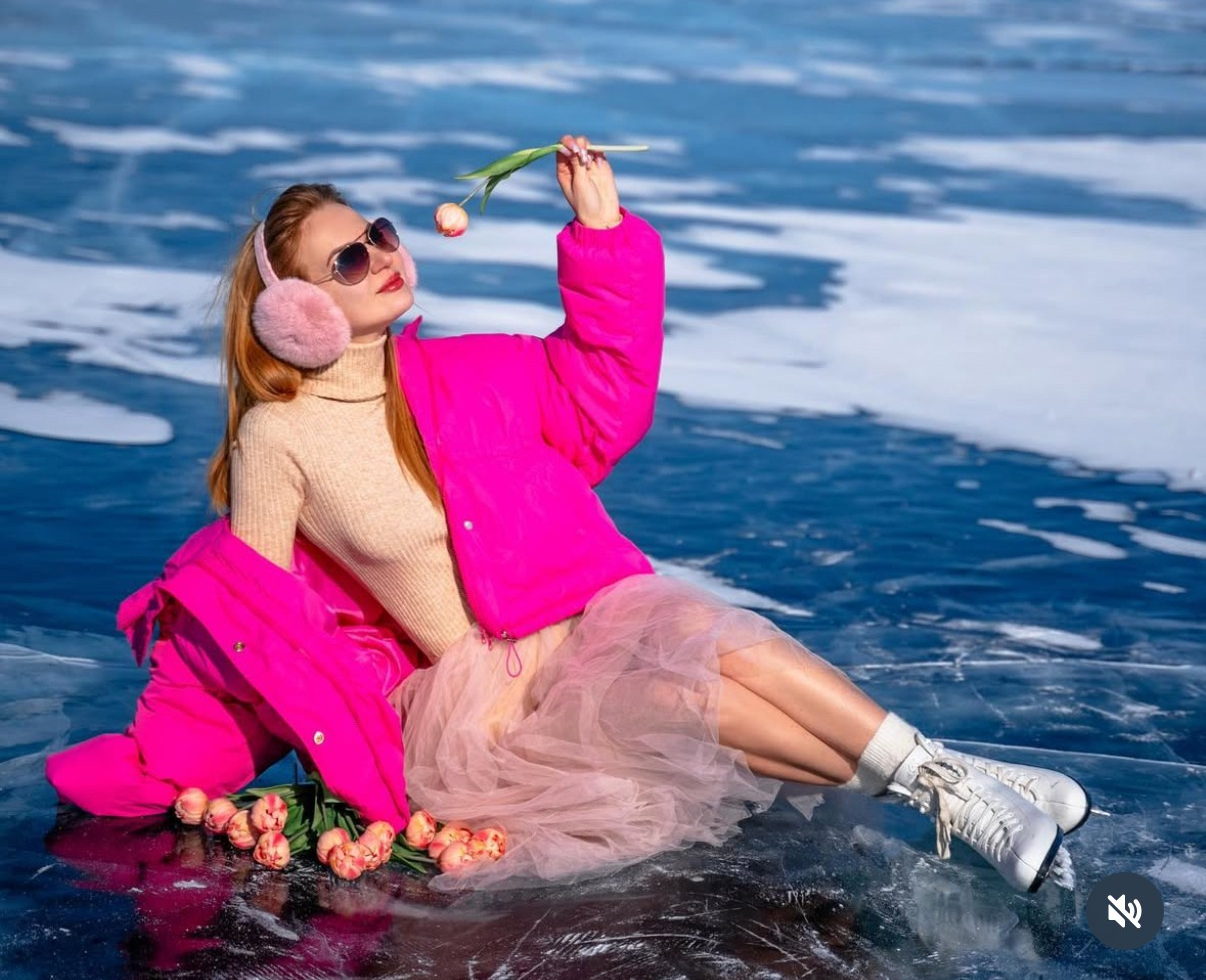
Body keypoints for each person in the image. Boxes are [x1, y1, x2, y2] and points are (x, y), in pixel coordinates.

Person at [46, 134, 1091, 895]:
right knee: (696, 711)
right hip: (488, 696)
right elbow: (252, 617)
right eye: (350, 259)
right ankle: (957, 790)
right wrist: (171, 765)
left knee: (721, 645)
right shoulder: (279, 440)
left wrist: (600, 233)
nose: (385, 255)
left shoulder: (462, 376)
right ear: (297, 310)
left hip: (586, 617)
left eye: (381, 232)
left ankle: (956, 789)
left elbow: (598, 386)